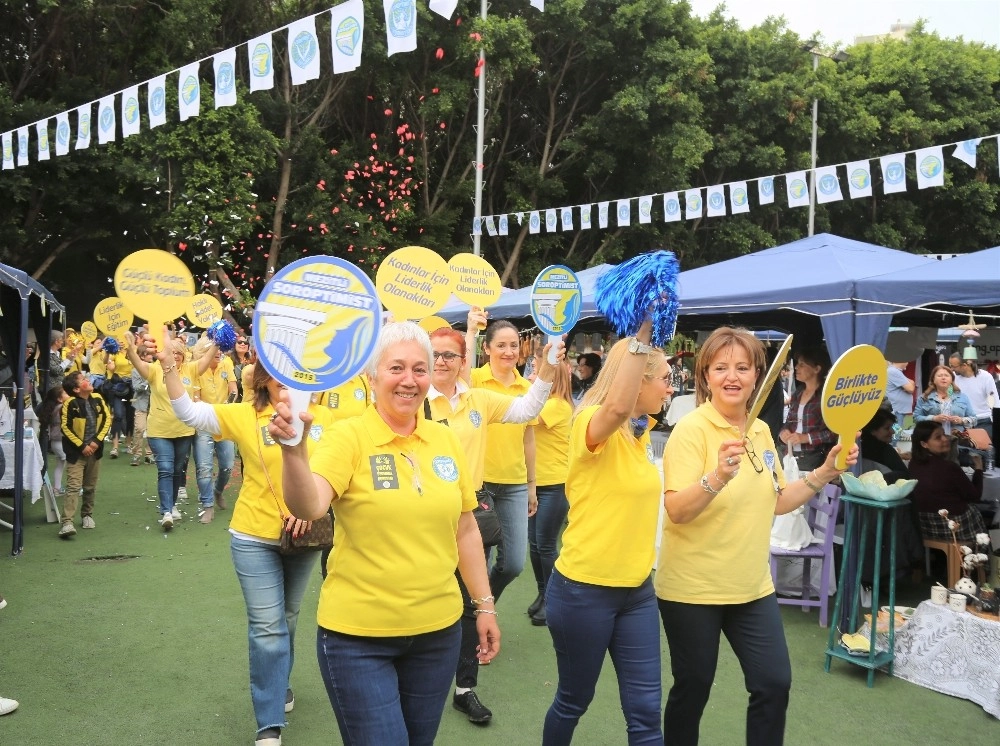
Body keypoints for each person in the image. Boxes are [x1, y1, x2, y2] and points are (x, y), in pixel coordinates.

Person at [272, 321, 500, 746]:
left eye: (420, 369)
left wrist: (484, 605)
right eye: (396, 368)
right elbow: (309, 505)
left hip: (438, 633)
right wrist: (293, 451)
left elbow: (465, 528)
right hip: (358, 639)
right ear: (371, 376)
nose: (409, 380)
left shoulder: (444, 440)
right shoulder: (348, 437)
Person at [657, 327, 857, 746]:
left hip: (752, 587)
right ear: (705, 375)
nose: (733, 376)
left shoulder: (761, 432)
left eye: (743, 367)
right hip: (693, 590)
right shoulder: (691, 430)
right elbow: (677, 511)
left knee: (772, 684)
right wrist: (717, 477)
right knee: (693, 690)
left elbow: (779, 500)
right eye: (721, 367)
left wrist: (826, 471)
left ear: (758, 375)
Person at [153, 339, 332, 746]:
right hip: (253, 535)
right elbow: (190, 411)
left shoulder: (328, 421)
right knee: (267, 627)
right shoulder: (247, 417)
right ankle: (269, 724)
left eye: (298, 377)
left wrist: (309, 510)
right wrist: (168, 368)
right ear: (265, 381)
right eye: (281, 379)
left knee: (288, 618)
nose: (289, 386)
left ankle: (279, 682)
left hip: (306, 535)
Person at [426, 320, 561, 724]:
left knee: (471, 599)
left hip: (470, 517)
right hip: (422, 518)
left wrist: (549, 364)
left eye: (450, 354)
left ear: (462, 359)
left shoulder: (479, 401)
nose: (442, 362)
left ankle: (464, 689)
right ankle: (420, 678)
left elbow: (526, 409)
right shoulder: (413, 400)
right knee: (428, 597)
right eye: (434, 354)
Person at [542, 322, 671, 745]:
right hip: (584, 591)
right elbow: (615, 409)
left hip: (637, 591)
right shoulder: (589, 426)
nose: (671, 390)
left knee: (646, 713)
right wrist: (642, 336)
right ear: (636, 382)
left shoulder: (642, 434)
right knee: (574, 699)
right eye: (666, 380)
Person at [471, 320, 537, 603]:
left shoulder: (527, 387)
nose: (508, 351)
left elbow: (529, 439)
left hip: (514, 485)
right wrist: (471, 331)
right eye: (501, 345)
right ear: (486, 348)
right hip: (479, 483)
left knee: (513, 563)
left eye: (513, 345)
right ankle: (475, 619)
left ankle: (483, 605)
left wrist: (532, 485)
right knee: (477, 559)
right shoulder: (472, 380)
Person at [125, 332, 206, 530]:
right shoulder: (155, 370)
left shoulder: (191, 369)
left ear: (184, 355)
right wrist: (129, 349)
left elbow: (208, 358)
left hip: (183, 430)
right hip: (159, 430)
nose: (176, 355)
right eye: (172, 351)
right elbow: (138, 364)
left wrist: (217, 343)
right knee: (165, 469)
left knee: (178, 469)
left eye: (179, 352)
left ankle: (173, 504)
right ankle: (166, 511)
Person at [527, 359, 573, 628]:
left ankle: (554, 598)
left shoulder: (557, 405)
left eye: (540, 372)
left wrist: (532, 384)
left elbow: (531, 414)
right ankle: (544, 594)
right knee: (536, 545)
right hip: (538, 484)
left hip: (555, 484)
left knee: (545, 546)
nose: (533, 375)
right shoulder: (553, 403)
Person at [908, 420, 990, 547]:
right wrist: (978, 469)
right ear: (924, 444)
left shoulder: (913, 464)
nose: (945, 439)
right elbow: (975, 496)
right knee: (982, 509)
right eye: (938, 437)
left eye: (944, 435)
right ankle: (985, 563)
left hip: (926, 527)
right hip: (955, 528)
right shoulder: (949, 467)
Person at [58, 371, 112, 538]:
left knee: (90, 486)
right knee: (74, 486)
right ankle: (67, 522)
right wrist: (82, 446)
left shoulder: (98, 399)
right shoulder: (70, 404)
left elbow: (106, 420)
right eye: (83, 380)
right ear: (76, 389)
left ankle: (87, 515)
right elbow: (66, 428)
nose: (87, 380)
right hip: (76, 452)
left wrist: (96, 441)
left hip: (95, 452)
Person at [192, 346, 238, 523]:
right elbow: (195, 398)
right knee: (204, 467)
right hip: (204, 423)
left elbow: (233, 390)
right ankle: (207, 506)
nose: (219, 353)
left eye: (220, 350)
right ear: (205, 354)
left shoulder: (226, 364)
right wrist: (210, 412)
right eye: (214, 350)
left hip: (224, 422)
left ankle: (218, 491)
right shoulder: (197, 368)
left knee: (227, 465)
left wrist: (225, 407)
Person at [779, 346, 836, 471]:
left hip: (813, 458)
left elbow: (836, 432)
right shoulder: (798, 393)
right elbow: (789, 422)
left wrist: (807, 438)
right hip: (788, 454)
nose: (796, 367)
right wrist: (783, 432)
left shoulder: (827, 397)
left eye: (802, 364)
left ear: (817, 369)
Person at [912, 365, 977, 436]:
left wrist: (961, 420)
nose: (943, 378)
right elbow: (916, 418)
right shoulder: (924, 398)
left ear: (952, 380)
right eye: (939, 376)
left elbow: (974, 419)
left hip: (958, 438)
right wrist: (934, 418)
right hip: (932, 438)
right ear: (933, 380)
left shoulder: (962, 397)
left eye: (946, 375)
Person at [949, 352, 1000, 431]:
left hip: (983, 421)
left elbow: (994, 401)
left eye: (953, 366)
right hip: (960, 421)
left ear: (964, 365)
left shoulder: (985, 376)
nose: (951, 369)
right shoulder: (952, 377)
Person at [860, 407, 910, 482]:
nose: (893, 431)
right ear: (872, 430)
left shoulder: (859, 448)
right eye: (887, 428)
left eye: (891, 427)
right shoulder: (885, 450)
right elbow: (905, 476)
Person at [36, 386, 69, 495]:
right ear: (60, 398)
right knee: (71, 464)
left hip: (55, 442)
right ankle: (73, 487)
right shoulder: (62, 408)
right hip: (62, 441)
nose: (68, 395)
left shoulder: (52, 408)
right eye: (66, 393)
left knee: (60, 464)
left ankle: (57, 488)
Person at [129, 344, 155, 466]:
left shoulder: (155, 367)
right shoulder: (135, 370)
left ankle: (149, 455)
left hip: (154, 403)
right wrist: (148, 379)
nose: (151, 356)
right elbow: (136, 387)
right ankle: (137, 454)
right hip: (141, 403)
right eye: (149, 354)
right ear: (143, 355)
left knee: (152, 430)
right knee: (139, 428)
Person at [885, 360, 916, 431]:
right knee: (895, 437)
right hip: (898, 412)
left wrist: (911, 383)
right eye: (907, 360)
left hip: (906, 411)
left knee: (907, 436)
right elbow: (911, 388)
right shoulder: (893, 371)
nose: (908, 363)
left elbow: (912, 383)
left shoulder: (897, 372)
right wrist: (910, 384)